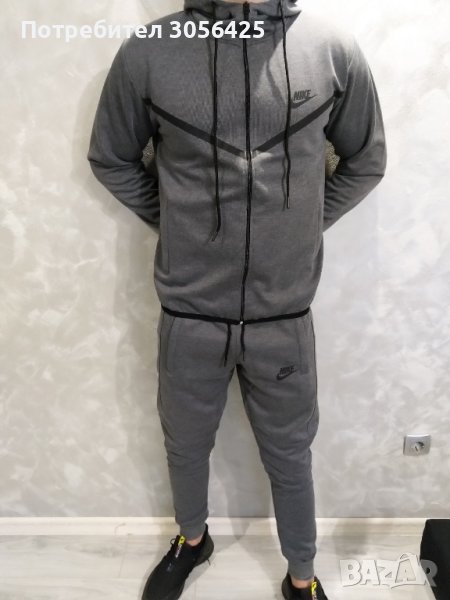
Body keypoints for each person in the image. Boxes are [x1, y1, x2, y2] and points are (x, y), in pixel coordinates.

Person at [87, 0, 387, 598]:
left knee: (290, 454)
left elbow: (366, 160)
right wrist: (177, 223)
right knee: (185, 444)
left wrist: (305, 224)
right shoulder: (149, 52)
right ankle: (192, 540)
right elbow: (111, 159)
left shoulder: (332, 50)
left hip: (284, 315)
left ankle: (302, 575)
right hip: (190, 312)